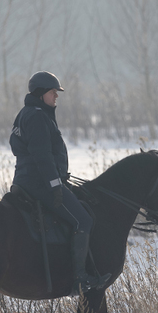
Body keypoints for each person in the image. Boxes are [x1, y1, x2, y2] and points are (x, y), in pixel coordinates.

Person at [10, 71, 109, 293]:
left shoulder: (27, 113)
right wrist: (55, 185)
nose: (56, 96)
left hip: (28, 180)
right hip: (41, 184)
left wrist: (61, 177)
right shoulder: (37, 117)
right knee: (83, 220)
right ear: (40, 93)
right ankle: (80, 278)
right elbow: (42, 157)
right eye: (53, 92)